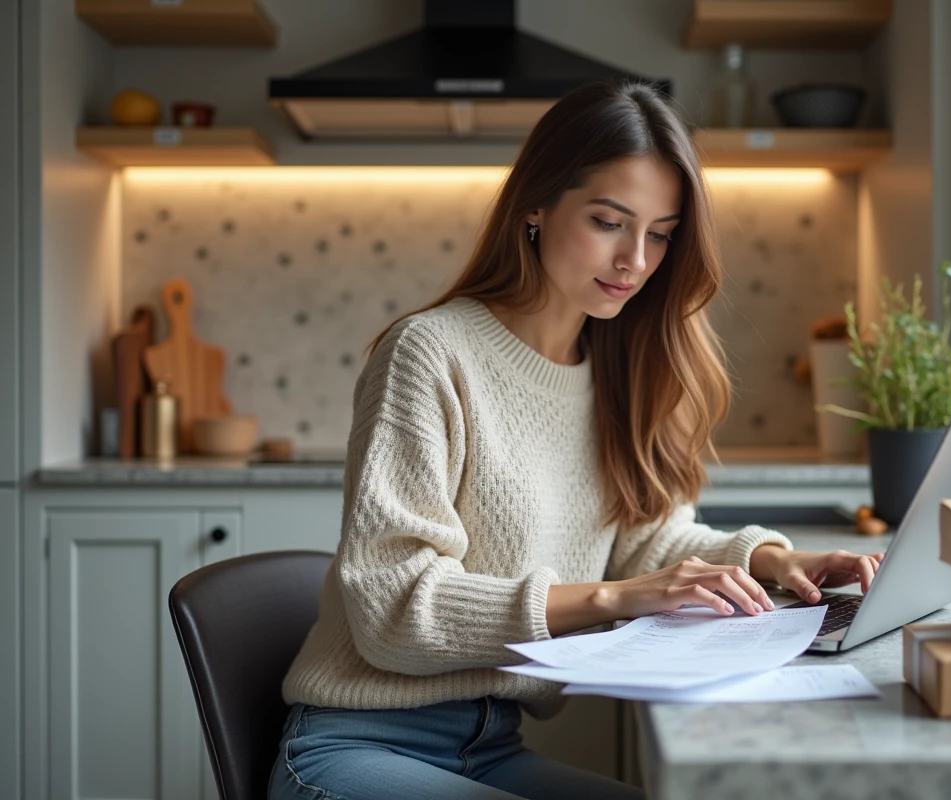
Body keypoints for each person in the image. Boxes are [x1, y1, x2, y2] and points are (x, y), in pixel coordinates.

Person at [269, 80, 882, 800]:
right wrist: (617, 598)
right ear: (536, 204)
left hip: (491, 748)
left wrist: (779, 560)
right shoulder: (431, 352)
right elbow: (393, 610)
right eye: (608, 221)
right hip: (356, 746)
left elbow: (643, 546)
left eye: (660, 233)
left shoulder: (615, 370)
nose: (636, 260)